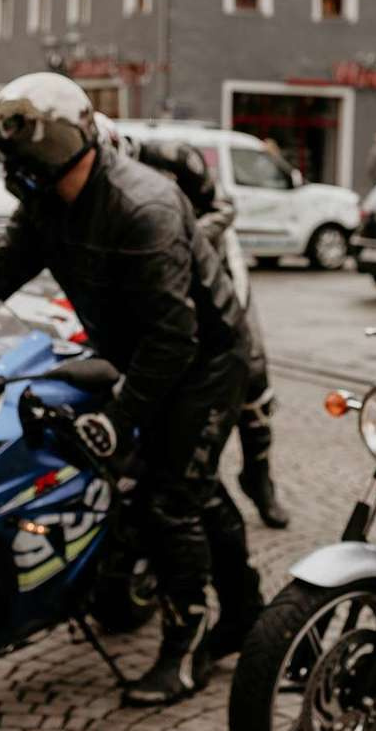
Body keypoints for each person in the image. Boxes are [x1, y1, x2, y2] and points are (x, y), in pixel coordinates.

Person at [0, 74, 262, 705]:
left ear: (45, 157)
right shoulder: (49, 200)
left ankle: (187, 640)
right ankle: (247, 609)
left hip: (205, 361)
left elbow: (176, 339)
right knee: (187, 483)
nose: (8, 173)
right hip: (135, 347)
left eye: (15, 160)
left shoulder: (143, 207)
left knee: (170, 497)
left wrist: (122, 413)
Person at [97, 116, 288, 529]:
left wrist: (187, 237)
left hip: (214, 259)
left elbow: (224, 206)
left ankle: (259, 476)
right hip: (160, 269)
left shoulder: (175, 156)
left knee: (250, 363)